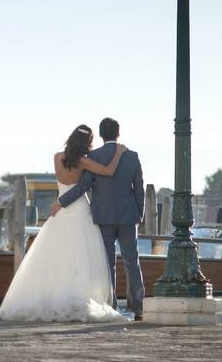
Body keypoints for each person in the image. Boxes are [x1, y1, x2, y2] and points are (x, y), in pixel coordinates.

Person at [0, 124, 127, 322]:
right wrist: (118, 151)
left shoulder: (57, 157)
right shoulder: (84, 162)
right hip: (80, 210)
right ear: (87, 143)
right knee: (81, 256)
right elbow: (108, 171)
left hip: (61, 210)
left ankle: (55, 294)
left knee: (57, 255)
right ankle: (78, 296)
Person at [51, 117, 145, 319]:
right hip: (129, 217)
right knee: (132, 262)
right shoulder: (133, 156)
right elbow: (139, 189)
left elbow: (83, 186)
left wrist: (62, 202)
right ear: (118, 133)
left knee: (107, 263)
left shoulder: (93, 157)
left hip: (103, 217)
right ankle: (138, 308)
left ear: (101, 135)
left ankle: (111, 306)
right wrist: (140, 214)